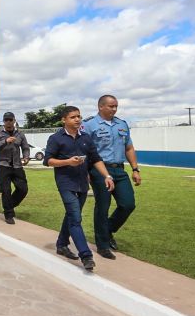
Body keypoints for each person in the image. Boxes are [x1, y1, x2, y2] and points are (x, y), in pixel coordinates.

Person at [43, 106, 115, 271]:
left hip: (82, 183)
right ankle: (86, 255)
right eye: (73, 117)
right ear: (64, 120)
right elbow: (47, 161)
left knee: (71, 215)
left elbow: (96, 159)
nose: (77, 120)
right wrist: (68, 162)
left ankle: (62, 244)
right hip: (66, 183)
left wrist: (107, 176)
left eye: (79, 117)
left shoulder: (86, 138)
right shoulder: (56, 138)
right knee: (76, 218)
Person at [82, 94, 141, 259]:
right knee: (103, 206)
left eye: (116, 106)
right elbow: (84, 150)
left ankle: (107, 230)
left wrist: (135, 169)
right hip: (99, 170)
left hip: (119, 170)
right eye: (111, 106)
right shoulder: (89, 125)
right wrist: (85, 172)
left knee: (128, 204)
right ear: (101, 106)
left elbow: (128, 148)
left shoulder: (122, 124)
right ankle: (102, 245)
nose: (114, 109)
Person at [0, 111, 30, 224]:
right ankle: (9, 214)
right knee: (6, 190)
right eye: (6, 120)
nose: (8, 122)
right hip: (2, 165)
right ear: (3, 121)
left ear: (14, 120)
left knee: (23, 189)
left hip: (17, 165)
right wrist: (5, 141)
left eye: (10, 120)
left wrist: (26, 157)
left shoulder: (20, 134)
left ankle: (9, 205)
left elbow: (25, 147)